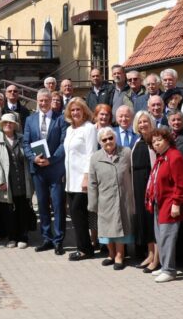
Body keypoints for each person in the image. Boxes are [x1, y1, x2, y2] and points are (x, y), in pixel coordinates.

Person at [23, 89, 68, 255]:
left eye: (46, 100)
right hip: (38, 169)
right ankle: (47, 238)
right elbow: (25, 143)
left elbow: (64, 143)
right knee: (42, 205)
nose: (43, 103)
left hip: (55, 169)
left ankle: (58, 240)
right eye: (40, 101)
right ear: (37, 101)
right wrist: (33, 159)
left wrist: (52, 159)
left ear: (51, 101)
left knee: (57, 205)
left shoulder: (61, 119)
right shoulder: (30, 119)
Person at [145, 127, 183, 283]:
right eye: (153, 141)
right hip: (159, 203)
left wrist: (176, 203)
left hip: (170, 204)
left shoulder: (174, 156)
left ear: (167, 140)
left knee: (167, 237)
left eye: (159, 140)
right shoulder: (161, 157)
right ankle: (165, 267)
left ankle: (170, 270)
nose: (156, 143)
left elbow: (180, 183)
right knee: (160, 236)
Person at [88, 127, 135, 270]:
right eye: (104, 139)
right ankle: (111, 254)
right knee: (107, 228)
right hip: (104, 198)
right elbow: (92, 182)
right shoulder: (95, 157)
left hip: (123, 197)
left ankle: (120, 256)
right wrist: (93, 203)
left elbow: (132, 174)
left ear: (115, 138)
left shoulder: (126, 152)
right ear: (100, 142)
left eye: (111, 138)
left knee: (121, 227)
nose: (108, 141)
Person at [0, 113, 34, 249]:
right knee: (9, 210)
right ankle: (12, 237)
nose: (8, 125)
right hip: (7, 179)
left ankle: (23, 236)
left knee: (23, 207)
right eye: (5, 122)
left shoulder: (22, 139)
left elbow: (30, 155)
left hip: (23, 177)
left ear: (15, 125)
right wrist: (0, 180)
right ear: (1, 125)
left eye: (11, 123)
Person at [63, 99, 99, 261]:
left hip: (82, 179)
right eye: (73, 110)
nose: (75, 113)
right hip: (70, 180)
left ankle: (85, 249)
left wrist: (86, 177)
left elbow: (91, 153)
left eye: (78, 110)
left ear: (84, 111)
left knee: (79, 214)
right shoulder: (70, 129)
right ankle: (83, 246)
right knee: (75, 215)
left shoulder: (89, 128)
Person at [131, 111, 158, 271]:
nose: (142, 125)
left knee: (153, 221)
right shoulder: (138, 140)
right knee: (145, 221)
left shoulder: (155, 139)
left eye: (145, 121)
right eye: (140, 122)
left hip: (151, 184)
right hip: (139, 185)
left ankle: (157, 258)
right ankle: (150, 253)